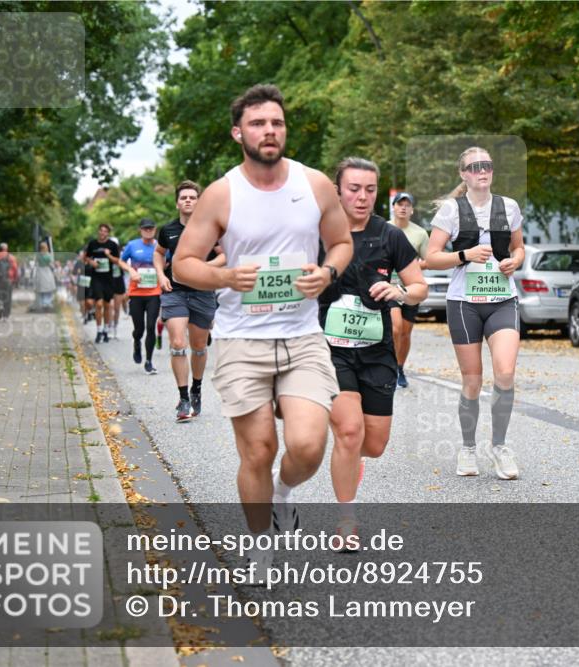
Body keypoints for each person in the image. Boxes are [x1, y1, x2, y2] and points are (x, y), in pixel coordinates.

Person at [173, 83, 352, 573]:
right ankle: (260, 547)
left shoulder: (315, 185)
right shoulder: (221, 194)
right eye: (257, 123)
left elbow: (340, 243)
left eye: (276, 122)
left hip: (301, 337)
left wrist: (329, 272)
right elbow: (183, 265)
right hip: (239, 338)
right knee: (258, 449)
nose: (268, 131)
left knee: (309, 446)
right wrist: (225, 276)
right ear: (238, 133)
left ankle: (283, 491)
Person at [321, 159, 426, 538]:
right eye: (353, 189)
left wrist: (400, 291)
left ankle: (347, 463)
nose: (362, 197)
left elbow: (419, 286)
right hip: (330, 349)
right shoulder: (319, 232)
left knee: (374, 444)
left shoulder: (388, 235)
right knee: (349, 431)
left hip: (377, 349)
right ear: (337, 190)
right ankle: (346, 522)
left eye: (369, 189)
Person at [426, 146, 525, 480]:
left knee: (506, 372)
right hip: (464, 302)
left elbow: (519, 246)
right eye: (475, 166)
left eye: (487, 165)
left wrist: (517, 260)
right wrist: (464, 254)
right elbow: (432, 257)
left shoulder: (508, 207)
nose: (483, 170)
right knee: (472, 380)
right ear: (464, 174)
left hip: (501, 299)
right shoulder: (452, 211)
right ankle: (468, 449)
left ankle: (499, 447)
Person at [154, 180, 226, 420]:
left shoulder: (210, 229)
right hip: (174, 292)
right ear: (177, 202)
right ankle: (183, 399)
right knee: (177, 343)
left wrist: (203, 268)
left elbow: (225, 255)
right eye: (183, 197)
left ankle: (196, 389)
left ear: (199, 202)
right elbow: (158, 253)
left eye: (192, 197)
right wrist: (160, 274)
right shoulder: (167, 230)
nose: (187, 200)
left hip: (202, 292)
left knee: (198, 346)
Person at [387, 192, 429, 388]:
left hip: (411, 287)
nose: (403, 208)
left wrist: (411, 268)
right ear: (393, 207)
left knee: (405, 332)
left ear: (412, 210)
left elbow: (429, 259)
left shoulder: (420, 233)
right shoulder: (384, 229)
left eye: (407, 205)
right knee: (395, 328)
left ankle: (399, 368)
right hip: (389, 286)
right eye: (399, 204)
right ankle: (389, 368)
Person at [118, 219, 162, 374]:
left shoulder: (160, 246)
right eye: (145, 229)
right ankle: (136, 341)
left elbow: (168, 262)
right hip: (136, 292)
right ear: (140, 230)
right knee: (139, 329)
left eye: (151, 228)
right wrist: (131, 271)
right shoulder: (132, 245)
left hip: (154, 292)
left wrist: (161, 272)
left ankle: (149, 361)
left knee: (151, 327)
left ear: (155, 230)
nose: (148, 231)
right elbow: (121, 261)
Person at [82, 224, 120, 343]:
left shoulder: (112, 245)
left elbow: (117, 261)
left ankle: (105, 330)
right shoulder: (93, 244)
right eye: (101, 231)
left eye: (105, 231)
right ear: (98, 232)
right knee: (98, 304)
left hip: (108, 279)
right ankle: (98, 330)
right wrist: (91, 262)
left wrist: (108, 255)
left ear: (108, 233)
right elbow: (86, 258)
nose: (103, 233)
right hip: (96, 278)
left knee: (107, 306)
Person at [0, 243, 18, 319]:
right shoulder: (11, 257)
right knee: (8, 297)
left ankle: (0, 306)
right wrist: (15, 279)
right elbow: (15, 269)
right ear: (7, 249)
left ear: (0, 248)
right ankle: (6, 315)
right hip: (8, 279)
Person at [110, 235, 128, 337]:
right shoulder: (106, 255)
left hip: (119, 282)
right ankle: (108, 325)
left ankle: (115, 328)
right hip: (108, 282)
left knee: (117, 308)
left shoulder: (122, 255)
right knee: (110, 306)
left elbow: (126, 269)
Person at [35, 241, 57, 311]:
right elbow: (51, 265)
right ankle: (46, 302)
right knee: (48, 288)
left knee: (41, 288)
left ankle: (42, 303)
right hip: (47, 271)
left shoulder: (38, 255)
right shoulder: (48, 255)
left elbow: (36, 263)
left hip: (40, 272)